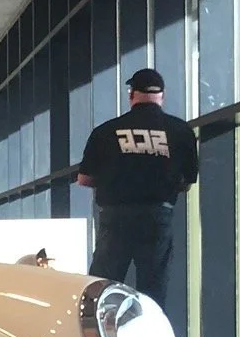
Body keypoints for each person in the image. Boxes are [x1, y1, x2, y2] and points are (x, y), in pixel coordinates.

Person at [76, 67, 198, 310]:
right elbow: (188, 180)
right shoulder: (181, 131)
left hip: (116, 216)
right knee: (153, 288)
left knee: (103, 285)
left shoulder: (106, 131)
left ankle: (97, 328)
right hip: (157, 216)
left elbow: (84, 179)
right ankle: (147, 330)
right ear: (162, 96)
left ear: (132, 94)